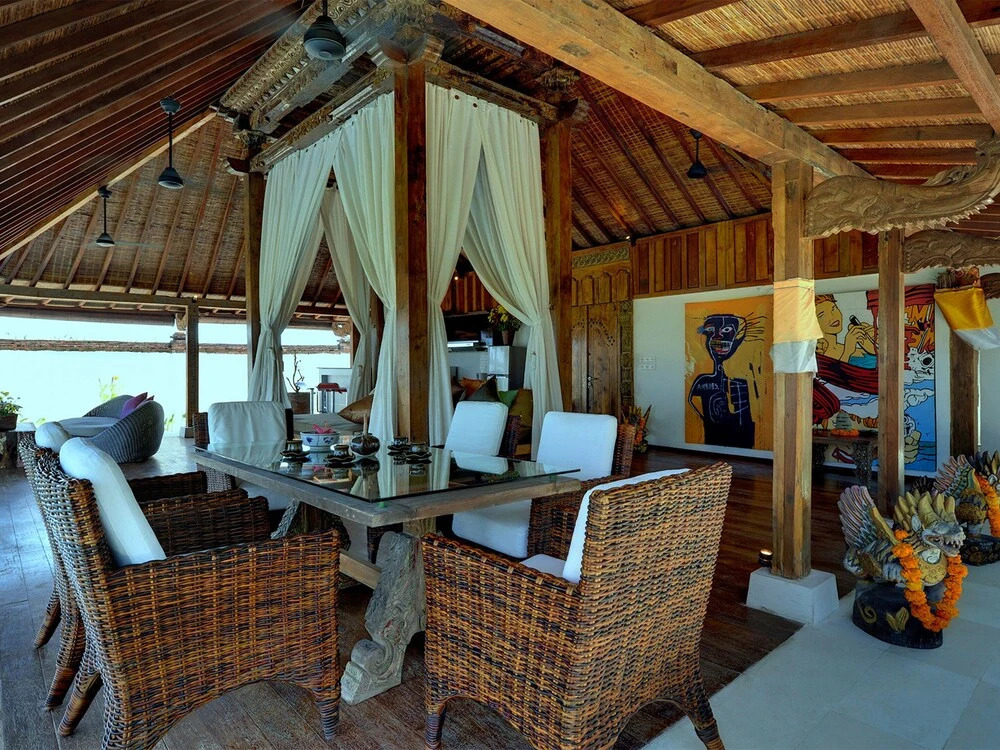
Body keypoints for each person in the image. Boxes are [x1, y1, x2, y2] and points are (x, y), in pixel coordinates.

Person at [815, 294, 876, 366]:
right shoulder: (819, 352)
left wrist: (870, 345)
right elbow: (835, 372)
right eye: (822, 315)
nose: (832, 317)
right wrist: (847, 352)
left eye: (834, 309)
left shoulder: (853, 349)